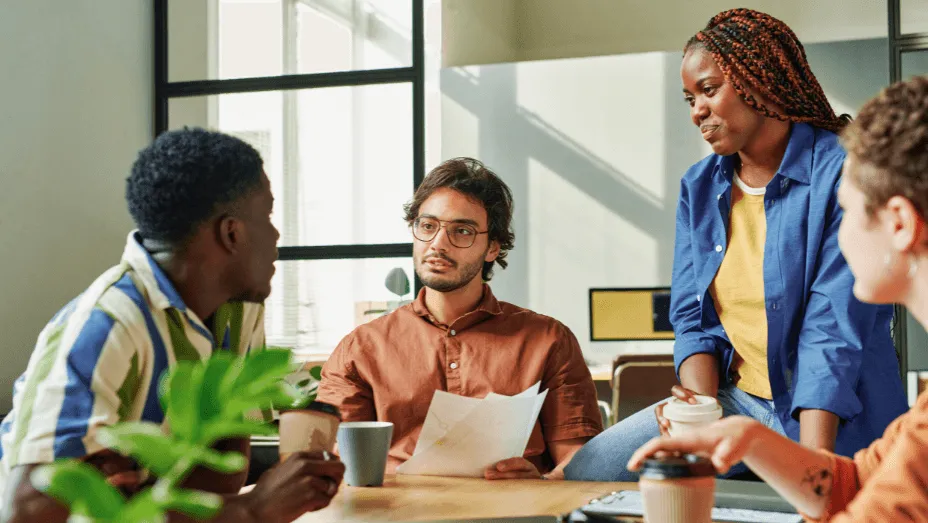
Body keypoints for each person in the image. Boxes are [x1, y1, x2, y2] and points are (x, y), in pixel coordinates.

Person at [565, 8, 907, 482]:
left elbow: (832, 331)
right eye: (689, 98)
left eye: (709, 90)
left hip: (836, 412)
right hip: (736, 401)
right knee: (590, 472)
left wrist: (815, 473)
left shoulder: (840, 172)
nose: (696, 111)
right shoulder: (700, 187)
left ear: (760, 82)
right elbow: (693, 318)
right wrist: (703, 419)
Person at [0, 128, 345, 523]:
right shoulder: (106, 325)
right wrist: (252, 510)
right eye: (267, 215)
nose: (276, 234)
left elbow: (219, 477)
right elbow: (27, 513)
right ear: (231, 232)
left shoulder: (239, 311)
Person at [629, 74, 928, 522]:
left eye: (845, 210)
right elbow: (853, 483)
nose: (835, 230)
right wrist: (751, 437)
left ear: (900, 223)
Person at [317, 157, 603, 480]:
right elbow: (334, 466)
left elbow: (579, 463)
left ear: (492, 247)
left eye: (462, 231)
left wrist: (542, 484)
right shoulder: (360, 350)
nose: (438, 244)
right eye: (427, 226)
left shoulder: (549, 340)